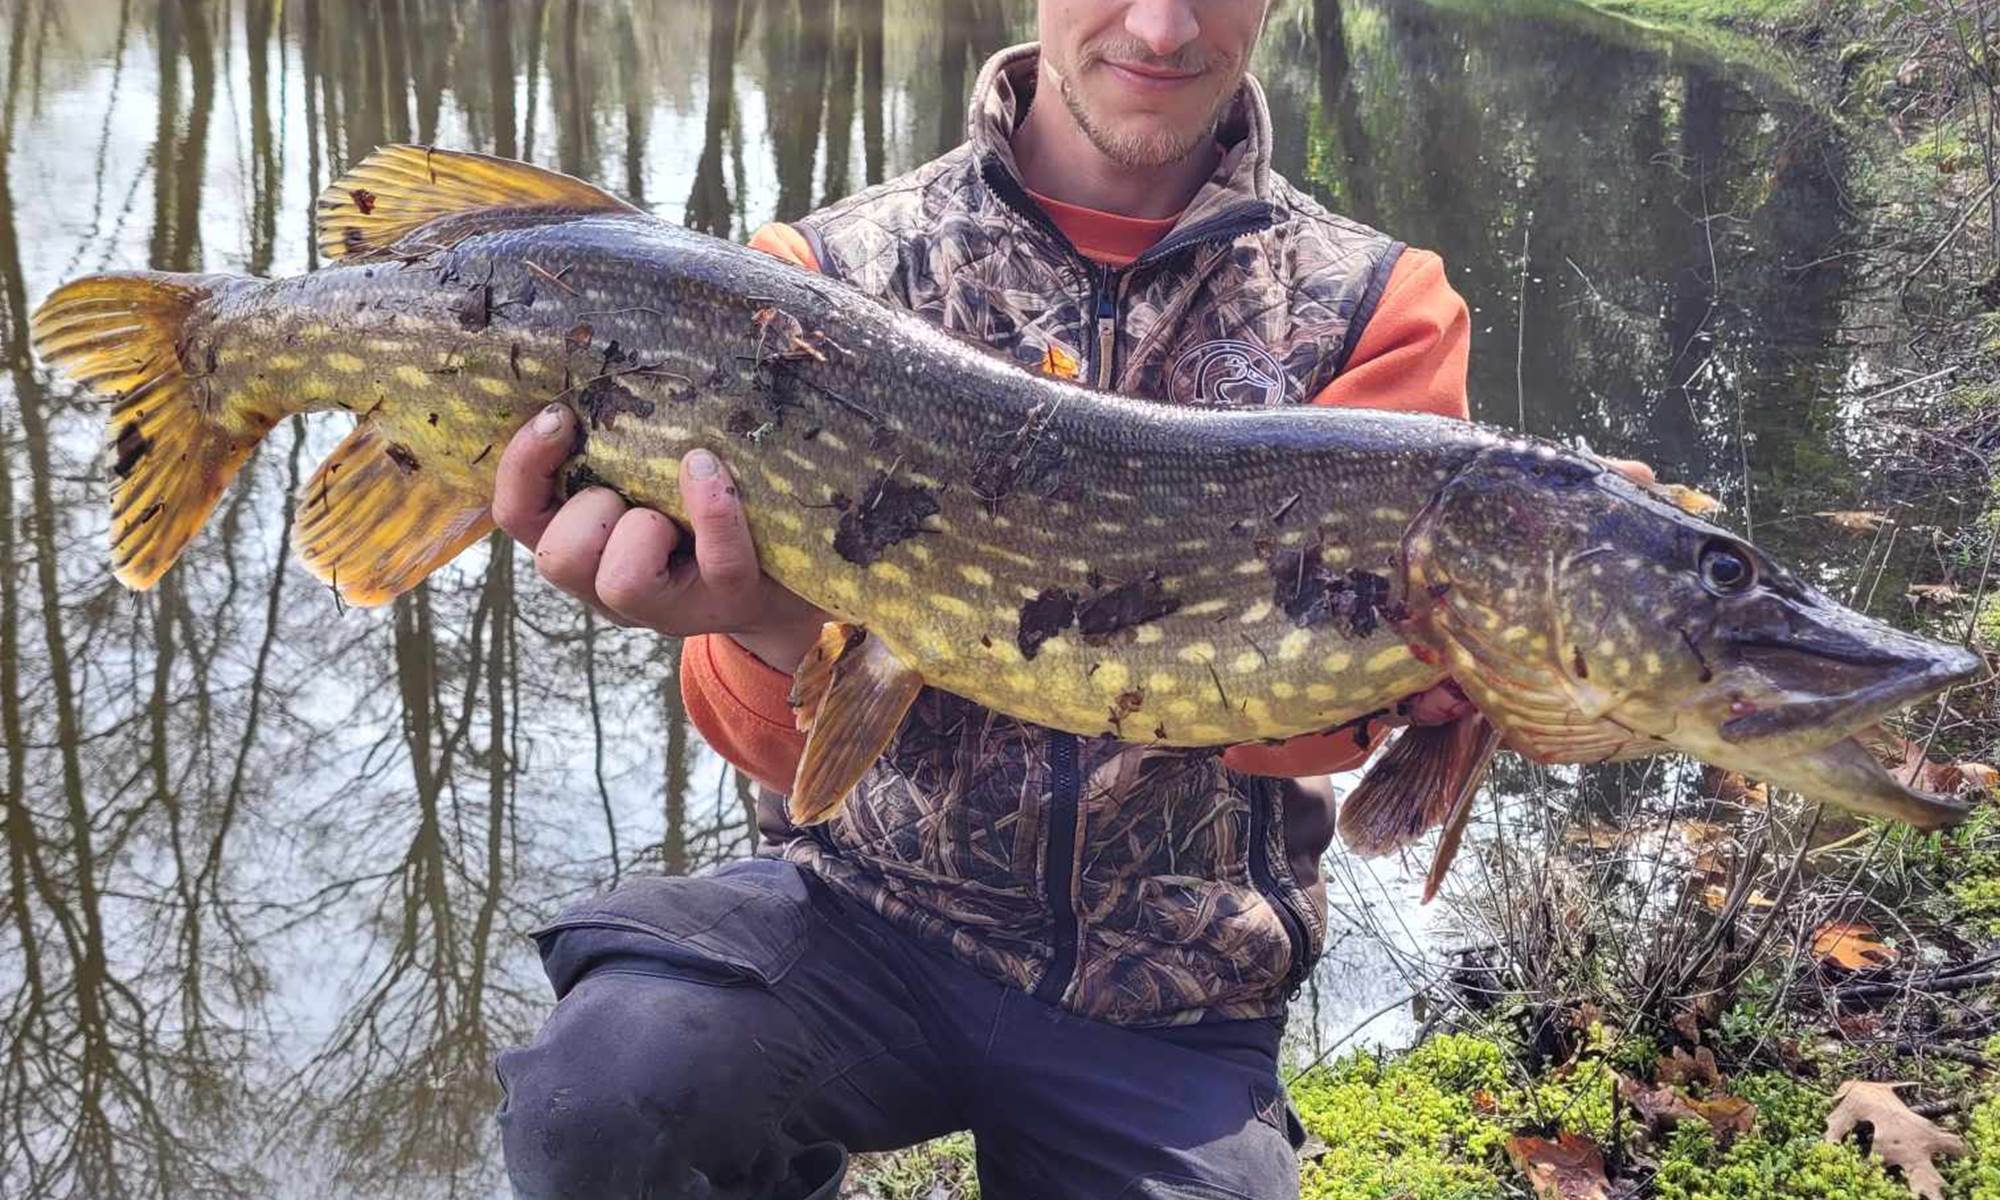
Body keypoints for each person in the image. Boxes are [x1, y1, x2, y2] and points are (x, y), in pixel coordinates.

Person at [489, 2, 1545, 1196]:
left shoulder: (1375, 306)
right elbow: (764, 740)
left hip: (1169, 989)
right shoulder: (815, 279)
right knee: (607, 1095)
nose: (1158, 25)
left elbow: (1304, 722)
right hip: (858, 919)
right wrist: (753, 618)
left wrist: (1462, 675)